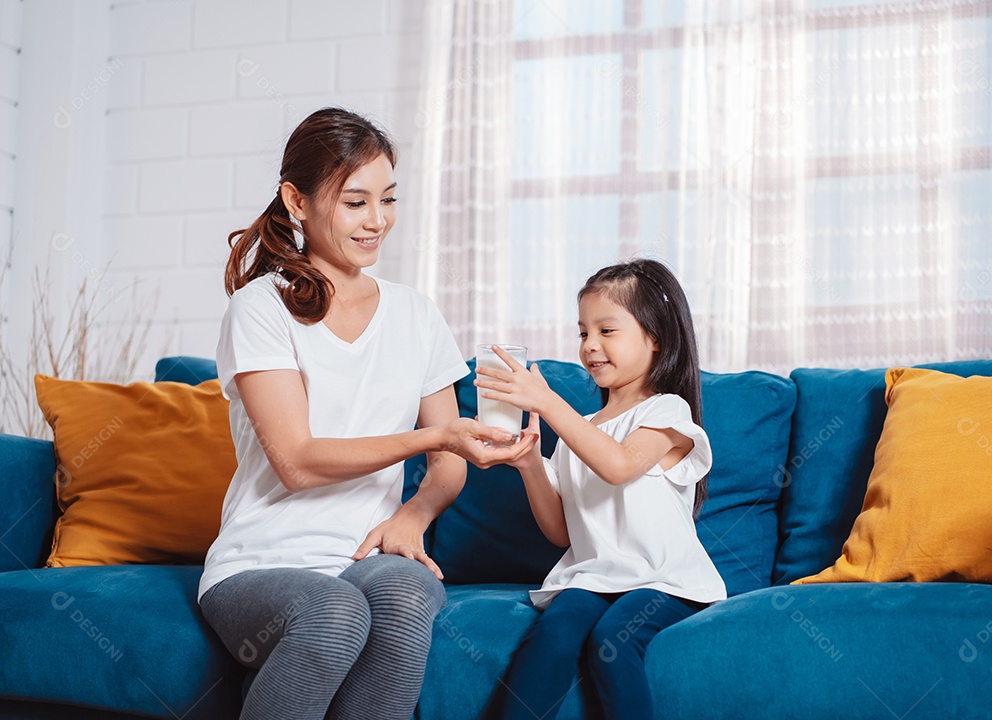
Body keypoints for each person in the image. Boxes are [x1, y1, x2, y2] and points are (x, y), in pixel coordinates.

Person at [198, 107, 530, 720]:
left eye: (389, 200)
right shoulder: (260, 309)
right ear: (296, 201)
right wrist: (436, 435)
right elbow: (297, 463)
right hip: (261, 562)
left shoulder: (416, 314)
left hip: (365, 556)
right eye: (355, 203)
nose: (378, 221)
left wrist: (415, 513)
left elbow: (447, 464)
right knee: (333, 611)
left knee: (409, 595)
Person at [475, 259, 727, 720]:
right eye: (583, 333)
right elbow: (560, 532)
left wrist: (548, 402)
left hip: (665, 579)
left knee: (613, 640)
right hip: (594, 575)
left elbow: (618, 466)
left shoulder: (667, 412)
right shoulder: (583, 430)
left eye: (607, 331)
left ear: (656, 338)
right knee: (555, 632)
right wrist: (530, 463)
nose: (590, 346)